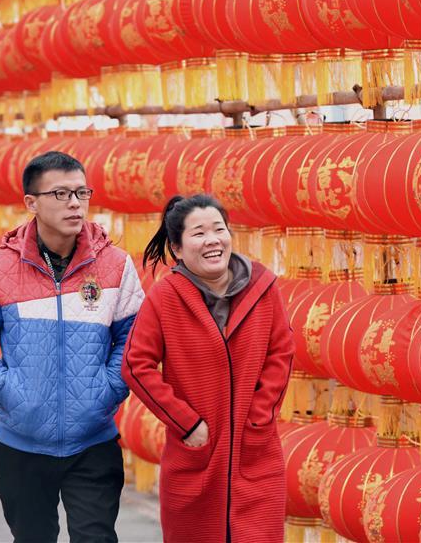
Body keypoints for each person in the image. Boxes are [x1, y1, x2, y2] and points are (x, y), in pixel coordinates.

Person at [0, 150, 144, 543]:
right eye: (60, 194)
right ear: (31, 203)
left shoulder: (116, 266)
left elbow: (134, 339)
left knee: (96, 538)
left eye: (81, 193)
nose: (74, 203)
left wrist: (105, 392)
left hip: (93, 441)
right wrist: (8, 391)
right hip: (20, 444)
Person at [122, 194, 294, 543]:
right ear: (178, 248)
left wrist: (258, 418)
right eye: (199, 233)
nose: (213, 240)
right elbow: (136, 364)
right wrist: (186, 423)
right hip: (196, 458)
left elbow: (281, 352)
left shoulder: (263, 288)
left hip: (256, 456)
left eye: (219, 229)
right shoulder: (166, 295)